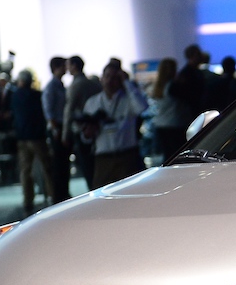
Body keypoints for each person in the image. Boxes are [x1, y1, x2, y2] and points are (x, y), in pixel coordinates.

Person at [79, 60, 149, 189]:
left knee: (134, 193)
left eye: (115, 78)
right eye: (107, 77)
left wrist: (127, 83)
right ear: (101, 79)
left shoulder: (129, 100)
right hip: (103, 158)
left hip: (127, 156)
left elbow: (142, 108)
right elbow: (85, 135)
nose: (110, 81)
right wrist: (87, 134)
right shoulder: (93, 102)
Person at [10, 69, 53, 214]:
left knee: (25, 170)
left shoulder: (15, 96)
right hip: (37, 136)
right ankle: (51, 195)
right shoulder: (37, 95)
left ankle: (28, 200)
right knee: (46, 167)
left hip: (22, 137)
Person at [62, 55, 101, 188]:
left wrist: (65, 134)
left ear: (74, 66)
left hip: (81, 128)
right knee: (94, 165)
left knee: (87, 166)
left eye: (68, 64)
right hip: (94, 127)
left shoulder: (76, 85)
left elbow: (69, 110)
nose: (66, 67)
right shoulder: (92, 83)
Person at [148, 57, 186, 162]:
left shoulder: (158, 87)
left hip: (161, 124)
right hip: (175, 124)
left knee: (168, 155)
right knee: (177, 155)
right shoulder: (173, 86)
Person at [42, 56, 69, 201]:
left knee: (63, 163)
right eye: (63, 66)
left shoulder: (57, 85)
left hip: (59, 127)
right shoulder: (52, 87)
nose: (66, 68)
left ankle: (62, 193)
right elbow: (49, 111)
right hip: (57, 128)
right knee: (59, 164)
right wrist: (55, 130)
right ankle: (59, 195)